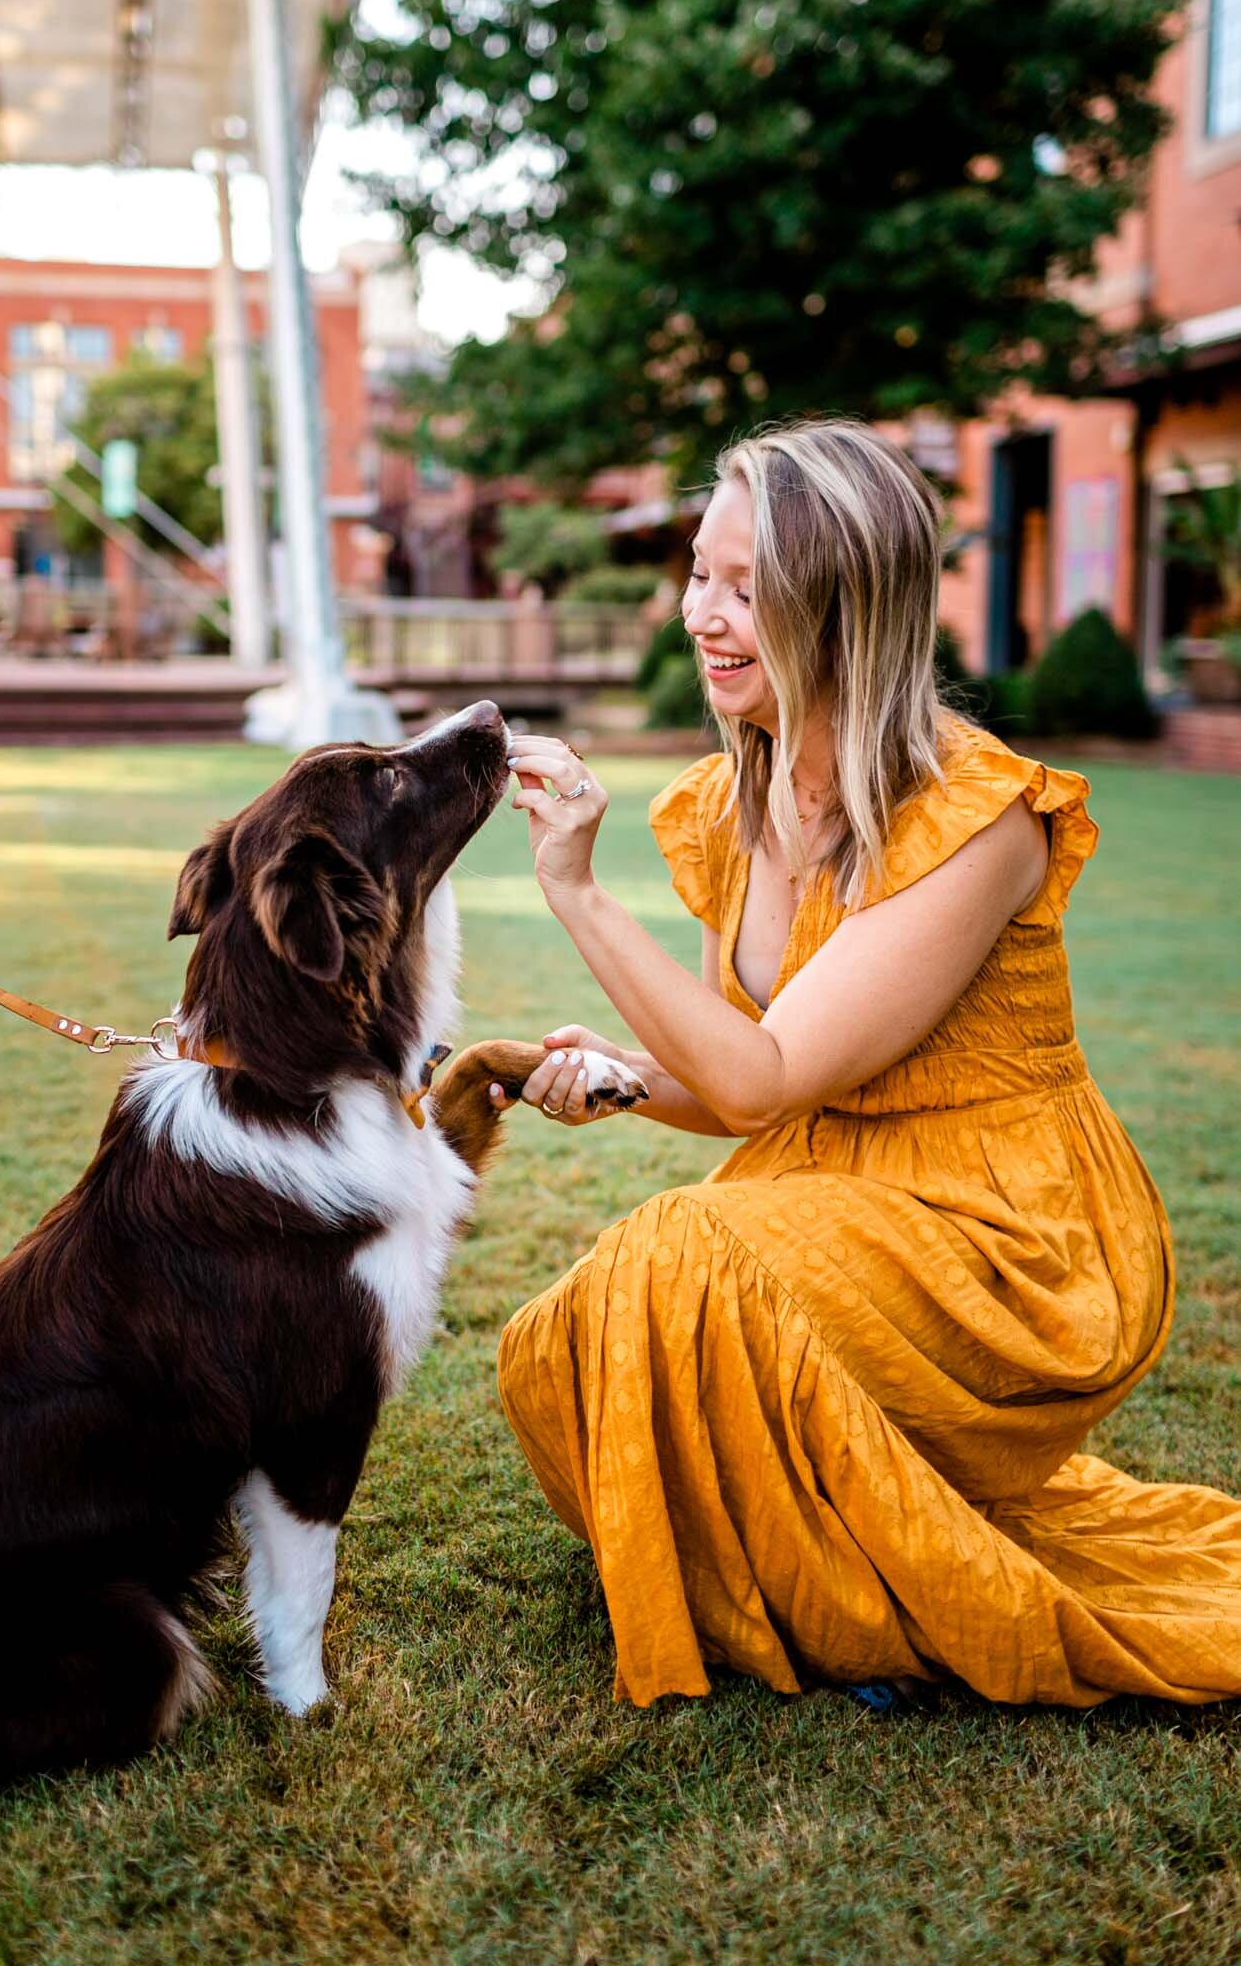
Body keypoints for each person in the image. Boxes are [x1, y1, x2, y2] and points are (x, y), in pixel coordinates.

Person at [494, 419, 1241, 1709]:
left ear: (845, 603)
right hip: (838, 1185)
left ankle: (867, 1609)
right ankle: (840, 1564)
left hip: (1012, 1235)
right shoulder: (743, 797)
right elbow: (744, 1065)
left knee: (682, 1261)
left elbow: (764, 1079)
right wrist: (620, 1070)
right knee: (555, 1350)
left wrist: (579, 891)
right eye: (699, 573)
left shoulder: (974, 815)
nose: (703, 616)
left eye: (746, 588)